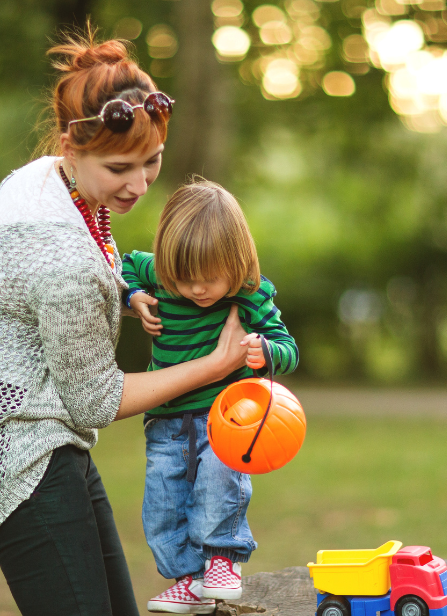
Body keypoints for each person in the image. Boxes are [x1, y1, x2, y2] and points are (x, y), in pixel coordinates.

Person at [0, 32, 252, 616]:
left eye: (152, 160)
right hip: (12, 453)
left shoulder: (48, 182)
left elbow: (85, 276)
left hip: (52, 435)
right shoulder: (57, 253)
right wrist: (216, 364)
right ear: (70, 146)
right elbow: (97, 400)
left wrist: (128, 294)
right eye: (118, 168)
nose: (137, 184)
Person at [121, 181, 299, 614]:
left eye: (209, 280)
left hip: (226, 419)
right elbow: (124, 264)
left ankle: (222, 560)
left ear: (235, 264)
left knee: (219, 487)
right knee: (163, 502)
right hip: (164, 422)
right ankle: (188, 580)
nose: (197, 290)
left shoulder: (250, 292)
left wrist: (265, 351)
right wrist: (133, 296)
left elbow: (289, 349)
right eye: (183, 280)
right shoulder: (160, 274)